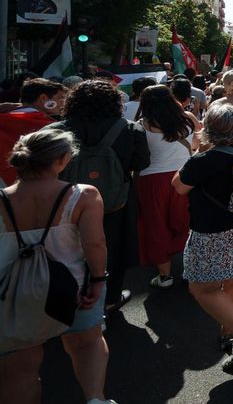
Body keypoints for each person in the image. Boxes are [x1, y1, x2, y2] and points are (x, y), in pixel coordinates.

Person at [0, 129, 113, 404]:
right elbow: (94, 244)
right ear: (62, 160)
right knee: (86, 343)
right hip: (73, 287)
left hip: (15, 294)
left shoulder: (2, 199)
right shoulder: (83, 195)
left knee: (20, 366)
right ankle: (95, 399)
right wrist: (98, 280)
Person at [172, 103, 233, 371]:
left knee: (202, 287)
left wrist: (200, 150)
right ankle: (230, 332)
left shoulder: (204, 160)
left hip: (213, 231)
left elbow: (178, 187)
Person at [48, 80, 150, 310]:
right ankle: (110, 297)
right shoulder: (130, 129)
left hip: (65, 199)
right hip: (115, 200)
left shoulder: (54, 130)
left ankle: (68, 294)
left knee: (66, 246)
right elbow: (142, 162)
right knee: (112, 247)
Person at [133, 85, 194, 289]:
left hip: (152, 180)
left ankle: (165, 276)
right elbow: (196, 145)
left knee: (156, 225)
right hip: (185, 177)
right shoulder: (188, 119)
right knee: (186, 223)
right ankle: (190, 269)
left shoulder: (142, 125)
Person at [0, 78, 65, 186]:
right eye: (60, 98)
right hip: (33, 184)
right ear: (44, 98)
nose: (63, 103)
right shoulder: (51, 127)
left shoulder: (4, 116)